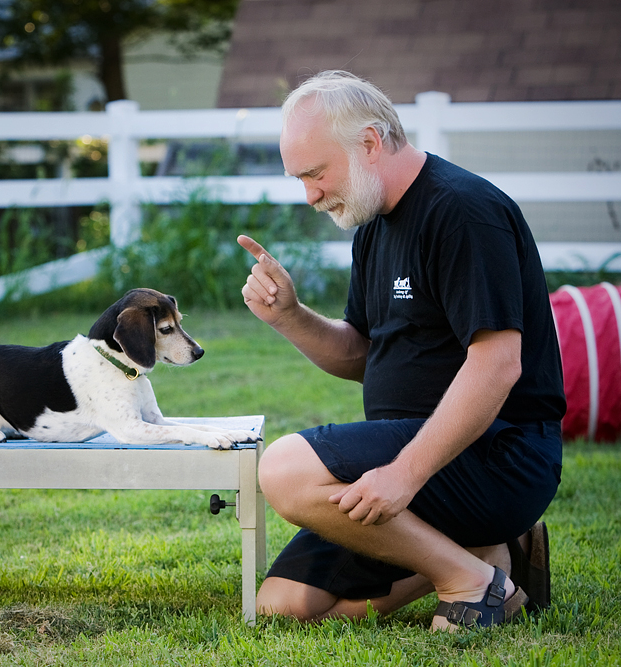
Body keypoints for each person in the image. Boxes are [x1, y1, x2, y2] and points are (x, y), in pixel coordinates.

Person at [238, 70, 565, 631]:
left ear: (368, 143)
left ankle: (474, 585)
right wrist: (289, 317)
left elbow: (498, 363)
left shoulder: (462, 211)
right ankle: (486, 555)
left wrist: (404, 475)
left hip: (495, 456)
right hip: (416, 462)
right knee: (284, 606)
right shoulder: (373, 221)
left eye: (315, 173)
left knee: (286, 469)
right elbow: (362, 355)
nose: (310, 195)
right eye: (301, 179)